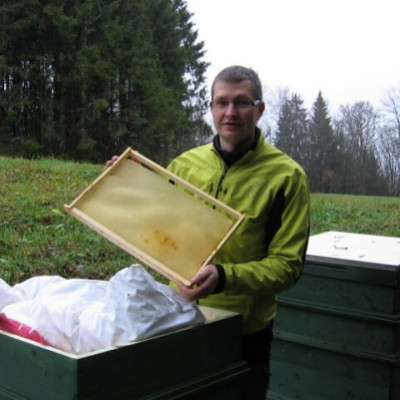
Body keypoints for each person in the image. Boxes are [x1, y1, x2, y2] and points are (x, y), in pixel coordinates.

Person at [105, 65, 310, 400]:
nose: (231, 112)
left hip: (244, 335)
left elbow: (288, 266)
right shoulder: (185, 166)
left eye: (242, 103)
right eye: (222, 102)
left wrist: (224, 276)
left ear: (259, 110)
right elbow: (158, 229)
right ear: (211, 108)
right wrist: (125, 185)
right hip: (179, 318)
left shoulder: (287, 177)